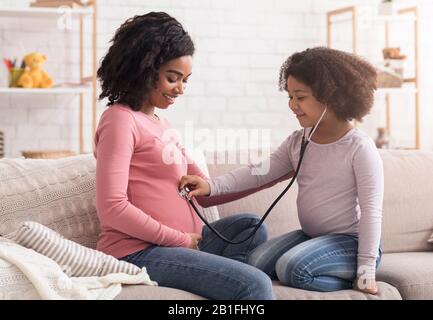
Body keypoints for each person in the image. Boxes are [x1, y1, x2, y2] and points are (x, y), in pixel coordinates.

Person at [94, 12, 274, 300]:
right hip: (138, 252)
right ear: (143, 69)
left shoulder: (162, 125)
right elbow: (112, 208)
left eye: (185, 80)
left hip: (183, 245)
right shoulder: (119, 120)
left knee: (250, 227)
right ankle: (231, 282)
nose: (180, 89)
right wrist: (179, 240)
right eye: (172, 78)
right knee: (255, 285)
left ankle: (219, 282)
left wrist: (272, 175)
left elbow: (203, 193)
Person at [179, 47, 384, 294]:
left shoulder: (359, 147)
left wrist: (366, 269)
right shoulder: (299, 142)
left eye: (300, 97)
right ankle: (314, 266)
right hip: (312, 237)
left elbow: (372, 212)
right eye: (290, 96)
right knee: (256, 263)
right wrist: (211, 186)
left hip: (350, 243)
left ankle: (348, 279)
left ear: (331, 96)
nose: (292, 105)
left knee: (291, 268)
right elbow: (258, 172)